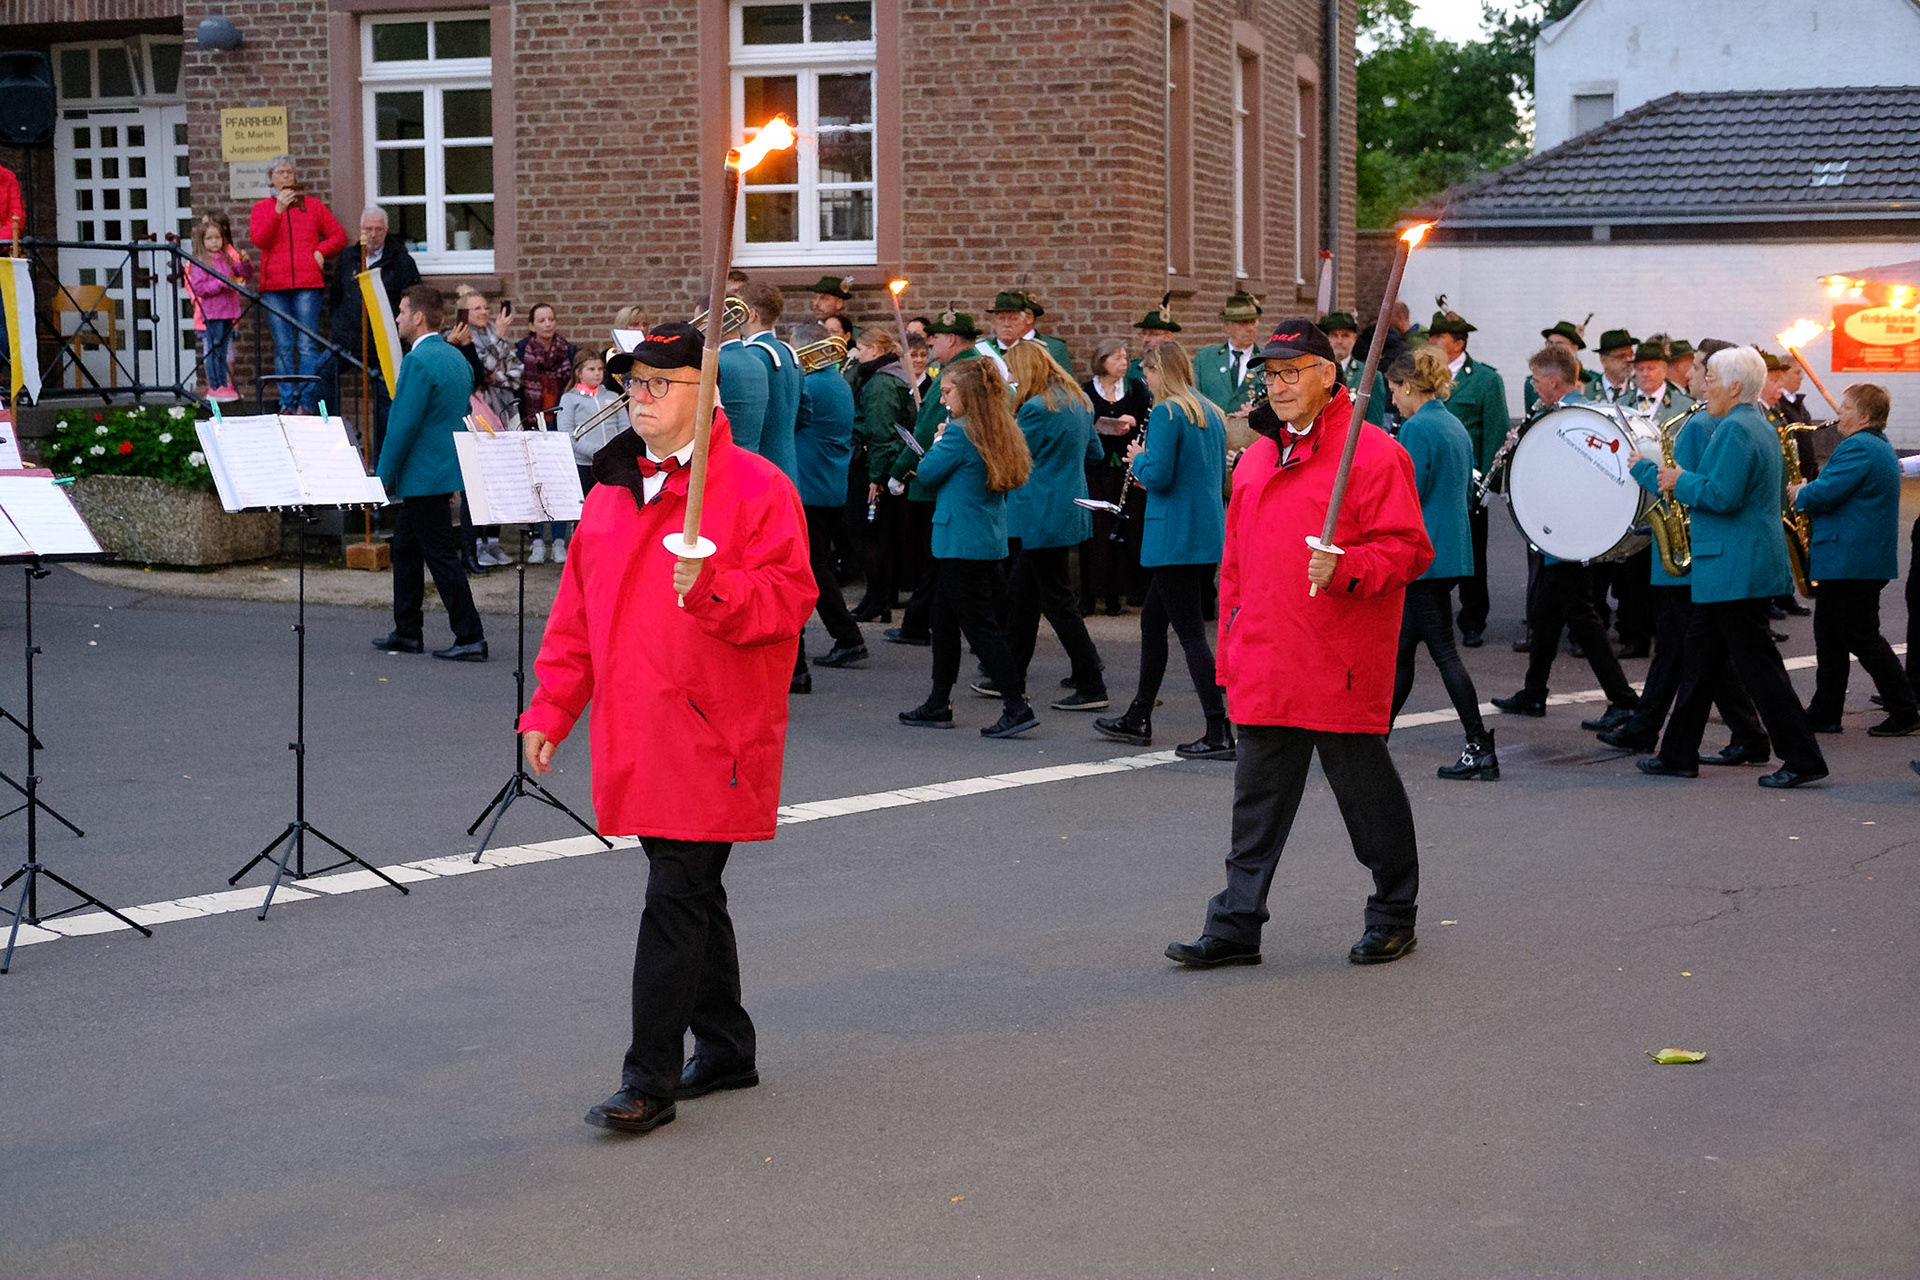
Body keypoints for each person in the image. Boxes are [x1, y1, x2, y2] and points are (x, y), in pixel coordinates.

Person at [520, 321, 814, 1135]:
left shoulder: (756, 488)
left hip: (712, 732)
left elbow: (790, 601)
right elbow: (578, 613)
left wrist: (714, 584)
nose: (638, 399)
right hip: (636, 728)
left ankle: (647, 1078)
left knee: (674, 896)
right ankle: (725, 1046)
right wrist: (552, 707)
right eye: (632, 385)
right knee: (692, 891)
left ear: (703, 393)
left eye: (657, 385)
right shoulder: (614, 488)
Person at [1165, 318, 1433, 970]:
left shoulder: (1372, 454)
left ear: (1328, 375)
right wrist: (1229, 652)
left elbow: (1408, 549)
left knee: (1366, 801)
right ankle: (1235, 923)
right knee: (1255, 806)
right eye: (1271, 375)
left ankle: (1394, 914)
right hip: (1266, 653)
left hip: (1335, 658)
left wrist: (1345, 568)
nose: (1278, 386)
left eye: (1291, 373)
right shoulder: (1256, 457)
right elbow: (1235, 569)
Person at [1635, 345, 1829, 788]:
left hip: (1733, 567)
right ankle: (1677, 753)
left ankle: (1802, 758)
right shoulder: (1755, 424)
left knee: (1761, 672)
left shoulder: (1734, 430)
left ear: (1736, 386)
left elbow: (1722, 496)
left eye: (1713, 380)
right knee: (1700, 665)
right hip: (1736, 565)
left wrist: (1675, 479)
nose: (1705, 386)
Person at [1598, 338, 1769, 763]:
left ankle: (1741, 734)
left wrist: (1641, 467)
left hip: (1689, 556)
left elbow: (1682, 487)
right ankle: (1654, 728)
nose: (1689, 377)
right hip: (1702, 556)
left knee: (1699, 655)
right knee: (1685, 652)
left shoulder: (1701, 424)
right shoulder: (1723, 420)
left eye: (1698, 370)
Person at [1092, 340, 1231, 758]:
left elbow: (1162, 476)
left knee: (1190, 634)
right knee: (1153, 623)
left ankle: (1218, 728)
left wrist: (1138, 458)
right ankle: (1138, 715)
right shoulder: (1210, 411)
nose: (1146, 383)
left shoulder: (1170, 411)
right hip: (1203, 530)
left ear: (1159, 371)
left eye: (1148, 375)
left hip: (1172, 533)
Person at [1490, 346, 1642, 723]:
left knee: (1583, 618)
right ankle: (1534, 692)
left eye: (1538, 381)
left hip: (1569, 537)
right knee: (1547, 612)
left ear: (1554, 382)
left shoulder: (1564, 420)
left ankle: (1623, 701)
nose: (1535, 388)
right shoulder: (1582, 414)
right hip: (1574, 534)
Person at [896, 357, 1036, 738]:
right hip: (983, 537)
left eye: (947, 392)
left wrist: (939, 440)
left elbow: (926, 475)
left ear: (968, 393)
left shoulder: (959, 432)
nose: (943, 400)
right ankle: (938, 701)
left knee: (980, 628)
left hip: (961, 541)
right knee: (943, 622)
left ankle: (1016, 705)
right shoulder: (995, 427)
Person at [1385, 349, 1497, 780]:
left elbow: (1408, 491)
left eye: (1395, 390)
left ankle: (1478, 743)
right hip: (1449, 551)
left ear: (1409, 386)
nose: (1392, 399)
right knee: (1402, 651)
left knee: (1440, 654)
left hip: (1421, 554)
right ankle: (1374, 739)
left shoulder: (1417, 427)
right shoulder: (1452, 423)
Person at [1791, 383, 1918, 736]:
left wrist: (1799, 492)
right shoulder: (1874, 445)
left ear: (1864, 416)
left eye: (1845, 408)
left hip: (1850, 560)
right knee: (1830, 638)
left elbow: (1825, 493)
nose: (1838, 414)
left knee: (1862, 638)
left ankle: (1905, 709)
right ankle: (1825, 710)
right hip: (1852, 560)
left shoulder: (1858, 447)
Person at [371, 286, 487, 662]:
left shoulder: (418, 362)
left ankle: (470, 635)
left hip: (422, 476)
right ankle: (407, 630)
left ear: (418, 316)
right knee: (405, 546)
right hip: (442, 472)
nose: (399, 318)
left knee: (440, 557)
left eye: (402, 311)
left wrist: (381, 477)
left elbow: (402, 425)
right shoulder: (456, 359)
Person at [998, 340, 1108, 711]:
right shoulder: (1078, 400)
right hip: (1069, 506)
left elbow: (1012, 456)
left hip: (1038, 512)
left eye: (1012, 369)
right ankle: (1011, 675)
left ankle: (1091, 679)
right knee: (1026, 596)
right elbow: (1095, 453)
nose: (1010, 377)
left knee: (1054, 600)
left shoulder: (1033, 408)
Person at [884, 310, 982, 648]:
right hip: (967, 476)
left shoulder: (956, 373)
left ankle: (920, 623)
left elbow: (926, 430)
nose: (931, 342)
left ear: (952, 340)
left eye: (936, 337)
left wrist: (899, 472)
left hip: (944, 475)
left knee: (936, 558)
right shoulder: (978, 365)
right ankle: (921, 620)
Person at [789, 321, 867, 692]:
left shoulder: (813, 384)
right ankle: (847, 636)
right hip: (829, 484)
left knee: (812, 567)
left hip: (811, 485)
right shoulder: (836, 381)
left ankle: (847, 637)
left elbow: (789, 417)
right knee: (818, 565)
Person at [1423, 308, 1507, 648]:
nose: (1432, 342)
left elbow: (1495, 433)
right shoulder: (1426, 376)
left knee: (1472, 553)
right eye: (1431, 336)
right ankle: (1430, 619)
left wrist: (1490, 483)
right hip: (1432, 480)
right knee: (1430, 549)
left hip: (1468, 482)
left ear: (1459, 343)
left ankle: (1473, 619)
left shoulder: (1485, 379)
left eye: (1439, 337)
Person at [248, 154, 347, 414]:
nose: (286, 176)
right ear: (271, 177)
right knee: (282, 346)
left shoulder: (312, 206)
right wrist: (278, 212)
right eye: (280, 172)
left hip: (307, 284)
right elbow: (260, 240)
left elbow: (338, 235)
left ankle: (306, 402)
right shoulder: (262, 208)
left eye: (289, 172)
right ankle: (287, 402)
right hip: (274, 288)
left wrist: (322, 250)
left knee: (306, 345)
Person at [321, 205, 420, 434]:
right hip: (348, 341)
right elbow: (336, 296)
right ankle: (335, 433)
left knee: (387, 397)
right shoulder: (348, 258)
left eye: (378, 229)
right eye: (368, 229)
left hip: (383, 343)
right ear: (360, 231)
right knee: (322, 373)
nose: (373, 234)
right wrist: (338, 327)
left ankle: (380, 458)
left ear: (386, 231)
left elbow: (413, 300)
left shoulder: (401, 261)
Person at [848, 327, 918, 623]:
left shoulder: (881, 384)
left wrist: (876, 477)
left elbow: (882, 433)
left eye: (861, 349)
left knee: (869, 534)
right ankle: (881, 598)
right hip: (882, 466)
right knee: (880, 535)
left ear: (875, 350)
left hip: (873, 469)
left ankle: (876, 599)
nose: (857, 354)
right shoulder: (895, 376)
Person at [1081, 337, 1152, 617]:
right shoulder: (1086, 390)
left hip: (1126, 468)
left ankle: (1118, 595)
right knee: (1096, 529)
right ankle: (1090, 593)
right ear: (1103, 361)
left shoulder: (1136, 389)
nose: (1124, 363)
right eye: (1117, 358)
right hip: (1098, 470)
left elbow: (1147, 418)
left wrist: (1131, 424)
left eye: (1125, 358)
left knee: (1126, 529)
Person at [735, 282, 799, 479]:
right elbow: (805, 412)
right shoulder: (788, 351)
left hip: (762, 465)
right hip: (789, 464)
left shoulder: (751, 354)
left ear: (752, 315)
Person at [186, 214, 251, 402]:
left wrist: (245, 262)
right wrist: (221, 283)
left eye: (217, 237)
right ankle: (215, 385)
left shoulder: (227, 258)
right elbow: (200, 287)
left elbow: (243, 273)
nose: (215, 242)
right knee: (214, 349)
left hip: (228, 311)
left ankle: (223, 383)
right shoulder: (200, 261)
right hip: (212, 312)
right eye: (209, 238)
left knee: (223, 350)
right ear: (202, 241)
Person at [558, 347, 622, 514]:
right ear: (579, 373)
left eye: (600, 369)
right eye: (591, 369)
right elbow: (567, 434)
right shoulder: (569, 399)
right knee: (584, 511)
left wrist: (612, 451)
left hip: (611, 463)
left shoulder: (614, 397)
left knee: (609, 510)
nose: (597, 373)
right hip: (583, 465)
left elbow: (625, 427)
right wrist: (595, 452)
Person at [1192, 291, 1265, 417]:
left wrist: (1258, 412)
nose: (1250, 328)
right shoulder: (1205, 359)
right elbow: (1192, 398)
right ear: (1226, 327)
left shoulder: (1267, 359)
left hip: (1252, 433)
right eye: (1243, 323)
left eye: (1253, 322)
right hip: (1214, 432)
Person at [979, 289, 1072, 378]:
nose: (1006, 324)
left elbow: (1065, 388)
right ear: (993, 321)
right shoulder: (982, 350)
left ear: (1028, 319)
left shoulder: (1052, 348)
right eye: (1001, 318)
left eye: (1013, 318)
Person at [1318, 312, 1388, 428]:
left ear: (1354, 339)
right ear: (1327, 339)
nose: (1339, 341)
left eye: (1345, 335)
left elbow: (1374, 423)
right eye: (1334, 335)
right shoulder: (1316, 372)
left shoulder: (1370, 376)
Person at [516, 303, 577, 431]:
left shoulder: (568, 350)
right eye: (542, 321)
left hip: (560, 415)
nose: (548, 324)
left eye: (551, 319)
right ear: (532, 326)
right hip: (531, 417)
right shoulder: (522, 351)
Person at [1524, 320, 1604, 411]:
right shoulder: (1531, 384)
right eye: (1549, 343)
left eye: (1559, 344)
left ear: (1574, 348)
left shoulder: (1593, 381)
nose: (1552, 348)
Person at [1128, 297, 1182, 381]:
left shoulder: (1180, 370)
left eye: (1153, 334)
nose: (1146, 339)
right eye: (1143, 334)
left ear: (1168, 337)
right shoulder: (1131, 370)